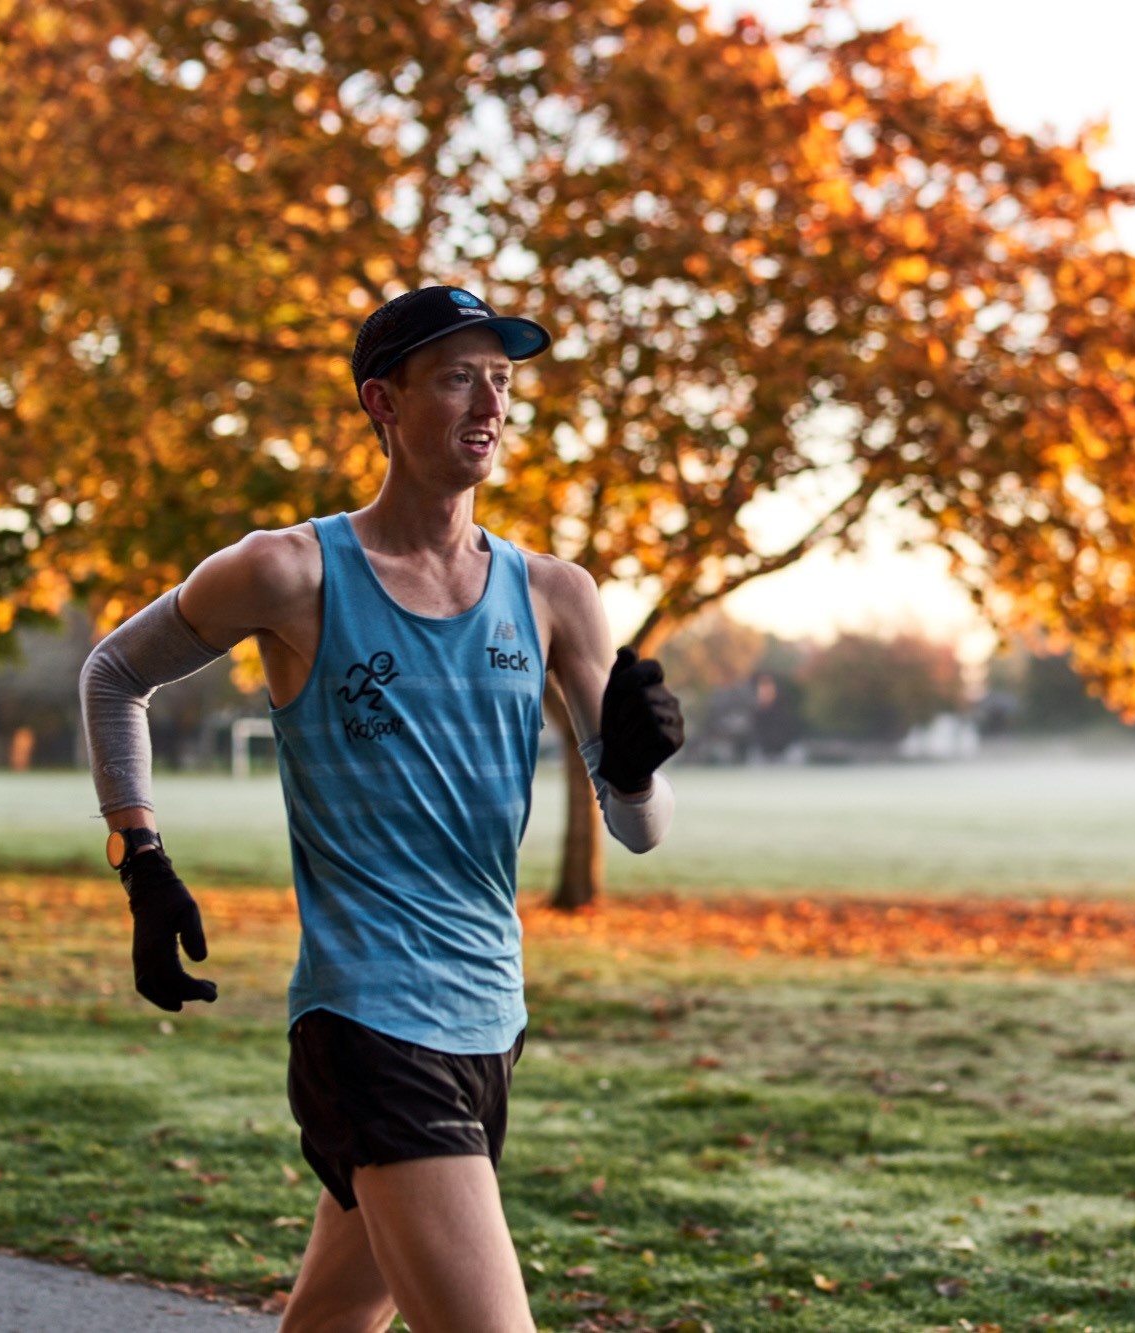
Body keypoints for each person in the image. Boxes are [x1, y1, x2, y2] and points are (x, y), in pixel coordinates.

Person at [79, 286, 684, 1333]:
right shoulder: (290, 572)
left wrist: (634, 766)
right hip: (368, 1017)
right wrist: (141, 856)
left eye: (501, 379)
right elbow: (112, 673)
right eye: (457, 376)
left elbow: (636, 827)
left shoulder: (554, 596)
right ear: (382, 403)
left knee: (330, 1322)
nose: (489, 401)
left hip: (491, 1017)